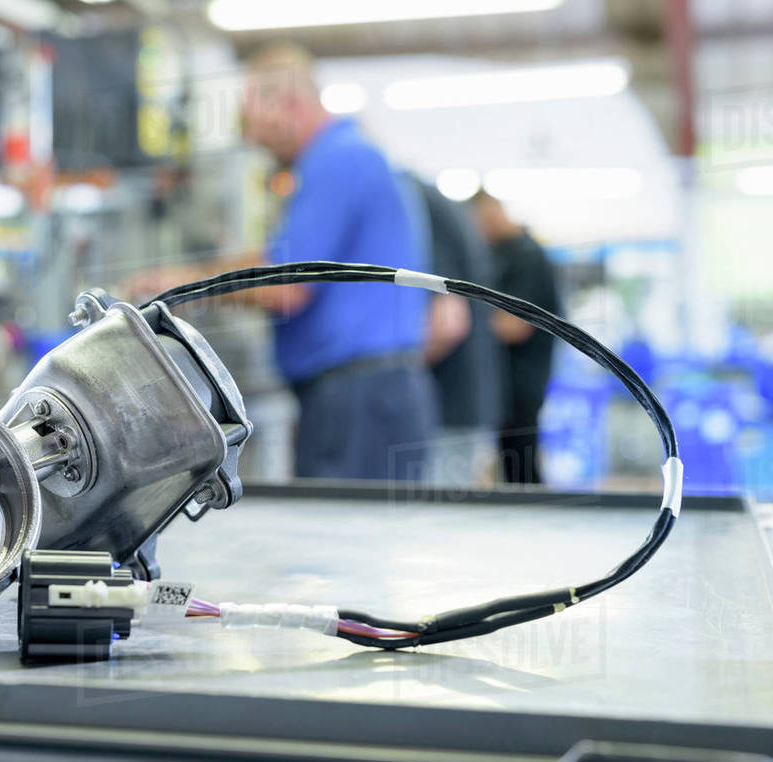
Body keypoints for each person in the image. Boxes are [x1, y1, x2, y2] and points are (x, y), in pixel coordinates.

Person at [128, 42, 436, 481]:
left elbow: (286, 286)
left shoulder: (336, 162)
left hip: (359, 399)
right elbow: (278, 261)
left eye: (255, 123)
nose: (254, 139)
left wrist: (184, 291)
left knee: (346, 543)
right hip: (367, 395)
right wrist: (193, 276)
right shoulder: (346, 157)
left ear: (287, 103)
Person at [403, 175, 503, 486]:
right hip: (466, 401)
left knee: (434, 519)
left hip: (448, 408)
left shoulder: (418, 204)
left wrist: (394, 375)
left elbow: (448, 322)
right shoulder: (441, 205)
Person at [468, 189, 561, 484]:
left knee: (521, 463)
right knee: (513, 459)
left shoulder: (526, 257)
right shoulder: (502, 253)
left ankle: (534, 520)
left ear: (491, 212)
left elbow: (514, 326)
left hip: (523, 379)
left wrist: (468, 321)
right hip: (508, 381)